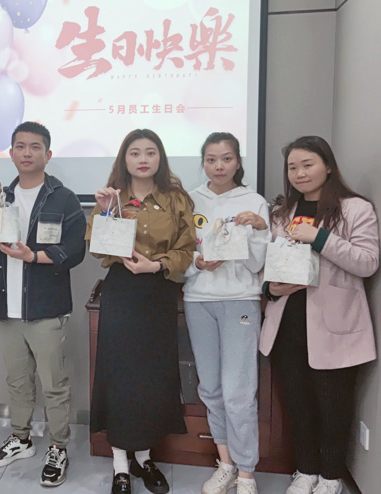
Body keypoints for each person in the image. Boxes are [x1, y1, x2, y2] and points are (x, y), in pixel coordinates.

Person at [0, 121, 86, 487]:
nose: (27, 153)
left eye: (35, 147)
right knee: (17, 381)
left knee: (54, 384)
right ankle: (20, 439)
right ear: (11, 153)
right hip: (8, 308)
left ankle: (58, 446)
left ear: (47, 154)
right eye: (20, 146)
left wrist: (32, 256)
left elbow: (74, 251)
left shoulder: (63, 198)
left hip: (46, 307)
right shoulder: (1, 195)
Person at [260, 136, 379, 494]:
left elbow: (367, 262)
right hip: (287, 325)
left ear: (328, 166)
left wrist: (319, 236)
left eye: (307, 164)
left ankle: (330, 477)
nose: (299, 173)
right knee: (298, 406)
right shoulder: (282, 214)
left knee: (333, 408)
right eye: (292, 167)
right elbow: (268, 266)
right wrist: (271, 288)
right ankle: (306, 470)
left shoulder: (355, 209)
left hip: (335, 327)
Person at [87, 129, 195, 494]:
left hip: (159, 291)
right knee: (120, 376)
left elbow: (186, 250)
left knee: (153, 377)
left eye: (150, 152)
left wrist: (157, 264)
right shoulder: (112, 197)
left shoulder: (177, 199)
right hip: (122, 292)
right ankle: (120, 464)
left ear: (160, 157)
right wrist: (106, 212)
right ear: (124, 159)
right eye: (135, 153)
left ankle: (145, 458)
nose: (143, 159)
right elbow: (98, 249)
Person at [182, 133, 271, 494]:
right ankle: (227, 464)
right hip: (198, 301)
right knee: (211, 387)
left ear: (237, 161)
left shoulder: (254, 201)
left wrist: (258, 230)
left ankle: (247, 472)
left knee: (239, 390)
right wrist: (198, 263)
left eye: (227, 158)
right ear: (203, 162)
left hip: (240, 300)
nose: (219, 166)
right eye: (211, 159)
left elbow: (257, 264)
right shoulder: (189, 200)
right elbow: (180, 253)